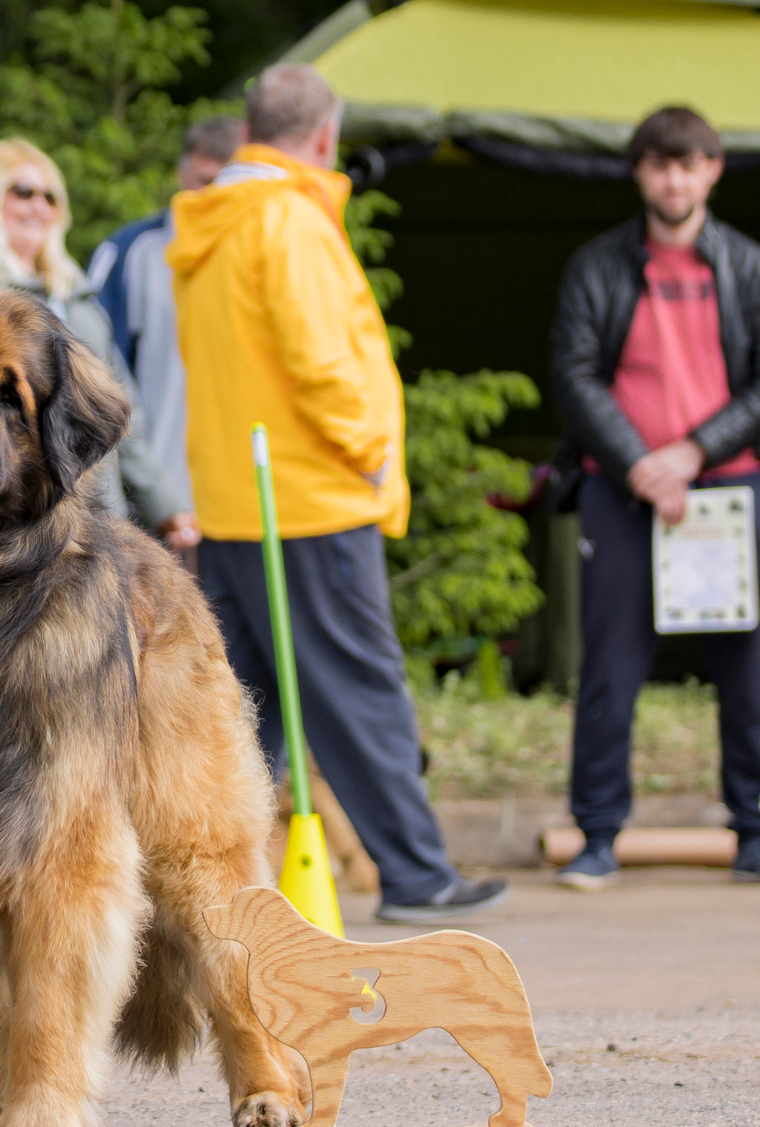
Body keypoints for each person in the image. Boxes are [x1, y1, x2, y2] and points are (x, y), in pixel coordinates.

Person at [170, 63, 508, 924]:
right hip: (312, 496)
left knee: (246, 711)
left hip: (239, 496)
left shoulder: (213, 223)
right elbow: (321, 357)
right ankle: (417, 874)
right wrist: (368, 454)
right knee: (357, 685)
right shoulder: (286, 221)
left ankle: (210, 886)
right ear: (324, 135)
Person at [548, 106, 760, 890]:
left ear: (713, 171)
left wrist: (693, 454)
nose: (674, 179)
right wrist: (641, 466)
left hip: (731, 494)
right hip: (622, 495)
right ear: (640, 174)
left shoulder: (751, 267)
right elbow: (574, 374)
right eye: (660, 165)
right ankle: (596, 836)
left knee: (746, 673)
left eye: (689, 164)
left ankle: (756, 835)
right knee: (610, 673)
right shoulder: (598, 265)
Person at [0, 138, 163, 519]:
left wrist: (164, 501)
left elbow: (122, 405)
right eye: (23, 192)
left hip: (97, 512)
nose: (38, 206)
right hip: (9, 511)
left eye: (50, 197)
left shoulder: (78, 299)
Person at [87, 115, 240, 555]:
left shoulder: (259, 251)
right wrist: (150, 488)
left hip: (249, 495)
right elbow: (102, 374)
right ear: (182, 170)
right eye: (203, 180)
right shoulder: (132, 252)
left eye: (224, 184)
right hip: (165, 503)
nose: (211, 196)